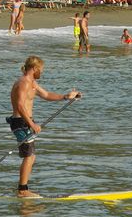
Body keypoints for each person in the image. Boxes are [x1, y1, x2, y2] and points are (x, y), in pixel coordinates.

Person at [8, 56, 82, 198]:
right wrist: (32, 124)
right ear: (34, 68)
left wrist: (66, 97)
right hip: (21, 122)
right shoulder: (23, 83)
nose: (42, 72)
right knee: (29, 156)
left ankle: (22, 188)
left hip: (25, 122)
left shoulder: (32, 83)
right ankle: (22, 190)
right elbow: (20, 105)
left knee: (31, 156)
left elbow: (47, 95)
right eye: (41, 70)